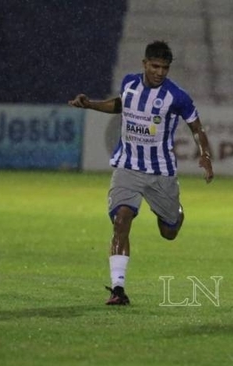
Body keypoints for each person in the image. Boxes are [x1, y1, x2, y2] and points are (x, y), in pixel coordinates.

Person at [69, 40, 214, 305]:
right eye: (155, 66)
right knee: (121, 221)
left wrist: (204, 154)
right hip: (128, 167)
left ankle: (175, 213)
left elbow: (197, 127)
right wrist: (90, 104)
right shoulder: (129, 83)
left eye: (165, 68)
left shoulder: (177, 96)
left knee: (169, 232)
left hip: (161, 173)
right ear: (144, 63)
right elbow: (120, 105)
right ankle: (118, 289)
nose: (159, 72)